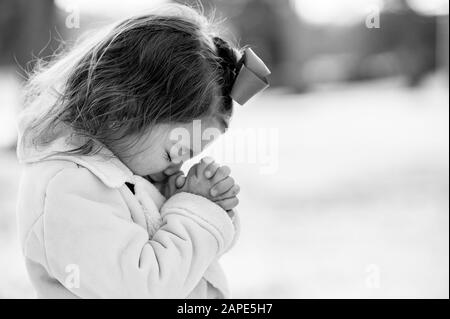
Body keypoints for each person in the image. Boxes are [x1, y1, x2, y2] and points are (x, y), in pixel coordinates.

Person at [15, 4, 272, 298]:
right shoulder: (68, 189)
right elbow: (142, 288)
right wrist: (196, 213)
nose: (177, 167)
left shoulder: (123, 176)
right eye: (175, 152)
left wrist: (180, 203)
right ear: (125, 107)